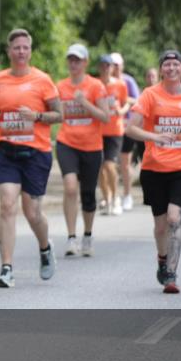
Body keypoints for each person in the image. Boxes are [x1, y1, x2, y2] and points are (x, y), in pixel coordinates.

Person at [125, 50, 181, 294]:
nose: (171, 68)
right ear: (161, 70)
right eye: (167, 64)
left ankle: (172, 273)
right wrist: (155, 137)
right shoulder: (150, 95)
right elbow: (130, 129)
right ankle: (163, 259)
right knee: (161, 226)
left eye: (176, 64)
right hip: (154, 168)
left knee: (175, 218)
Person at [0, 29, 63, 287]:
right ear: (9, 51)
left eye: (25, 48)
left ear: (30, 52)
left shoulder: (43, 80)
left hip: (35, 153)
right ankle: (6, 268)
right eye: (16, 47)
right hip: (6, 150)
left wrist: (38, 116)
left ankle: (44, 247)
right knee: (7, 205)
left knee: (32, 213)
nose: (20, 52)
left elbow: (59, 114)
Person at [56, 44, 110, 256]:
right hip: (66, 142)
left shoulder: (96, 86)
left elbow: (105, 116)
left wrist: (84, 103)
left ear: (85, 62)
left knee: (88, 193)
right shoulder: (60, 86)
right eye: (70, 59)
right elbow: (58, 115)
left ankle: (87, 235)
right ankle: (71, 238)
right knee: (70, 187)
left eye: (77, 60)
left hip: (92, 146)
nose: (73, 64)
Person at [98, 54, 129, 216]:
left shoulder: (120, 85)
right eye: (102, 65)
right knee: (100, 169)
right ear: (99, 67)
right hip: (97, 131)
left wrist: (120, 111)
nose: (105, 68)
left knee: (109, 165)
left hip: (115, 130)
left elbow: (125, 105)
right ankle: (106, 198)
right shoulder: (95, 85)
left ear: (112, 68)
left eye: (108, 65)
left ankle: (116, 197)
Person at [111, 53, 140, 211]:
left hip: (126, 125)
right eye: (111, 64)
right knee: (109, 164)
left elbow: (138, 100)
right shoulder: (105, 82)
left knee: (124, 163)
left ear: (122, 66)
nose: (114, 68)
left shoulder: (128, 81)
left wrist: (124, 99)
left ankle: (127, 195)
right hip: (109, 127)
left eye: (117, 64)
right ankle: (112, 196)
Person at [132, 67, 159, 167]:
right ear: (145, 78)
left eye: (153, 76)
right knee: (145, 162)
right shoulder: (140, 93)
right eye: (148, 76)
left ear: (158, 78)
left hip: (157, 134)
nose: (151, 78)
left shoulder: (163, 93)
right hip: (143, 134)